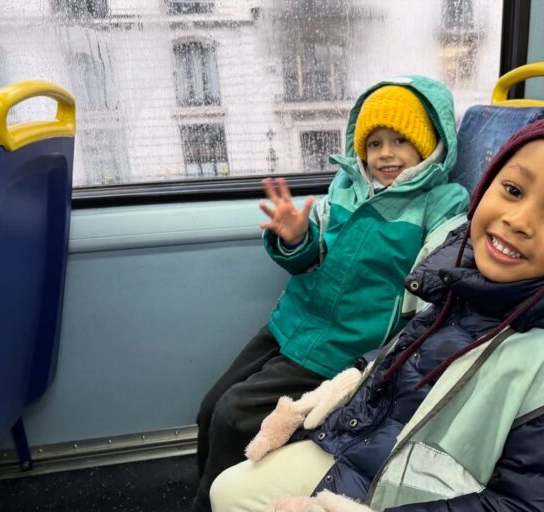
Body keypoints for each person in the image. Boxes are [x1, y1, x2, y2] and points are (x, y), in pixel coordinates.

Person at [208, 95, 544, 512]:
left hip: (416, 495)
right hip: (373, 447)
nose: (517, 221)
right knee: (225, 487)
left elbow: (534, 500)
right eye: (513, 191)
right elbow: (408, 359)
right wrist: (346, 386)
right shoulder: (467, 281)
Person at [191, 76, 470, 512]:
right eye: (374, 143)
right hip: (293, 324)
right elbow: (310, 259)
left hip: (342, 347)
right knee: (211, 408)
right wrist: (297, 238)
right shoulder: (346, 188)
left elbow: (440, 264)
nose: (385, 153)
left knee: (232, 417)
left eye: (400, 139)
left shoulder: (441, 202)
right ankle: (204, 492)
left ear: (429, 144)